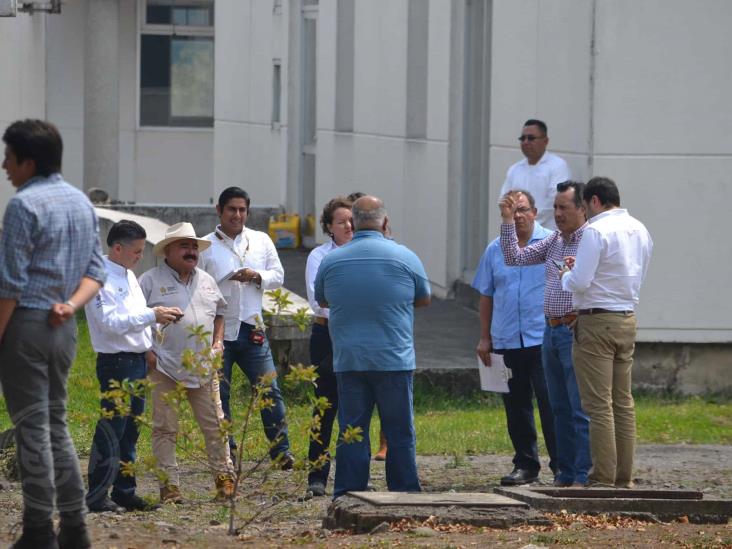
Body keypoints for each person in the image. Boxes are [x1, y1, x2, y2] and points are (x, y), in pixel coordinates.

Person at [0, 119, 106, 549]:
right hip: (63, 327)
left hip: (24, 322)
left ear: (27, 162)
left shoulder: (23, 207)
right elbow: (97, 271)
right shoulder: (81, 202)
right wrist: (72, 305)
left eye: (8, 157)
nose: (4, 166)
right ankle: (76, 529)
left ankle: (40, 530)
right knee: (55, 425)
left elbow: (8, 285)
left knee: (31, 429)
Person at [315, 196, 431, 499]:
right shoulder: (405, 257)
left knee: (352, 431)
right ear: (386, 223)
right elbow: (424, 297)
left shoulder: (332, 260)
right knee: (399, 431)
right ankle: (404, 492)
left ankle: (349, 493)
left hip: (349, 359)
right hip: (394, 357)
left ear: (352, 223)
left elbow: (323, 299)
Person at [84, 220, 183, 513]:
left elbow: (136, 316)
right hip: (116, 362)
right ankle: (97, 494)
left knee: (131, 429)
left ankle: (125, 490)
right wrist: (152, 315)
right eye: (137, 251)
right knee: (112, 427)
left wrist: (154, 328)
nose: (140, 256)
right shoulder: (98, 278)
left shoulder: (128, 275)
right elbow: (109, 323)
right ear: (117, 248)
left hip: (137, 359)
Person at [560, 177, 653, 488]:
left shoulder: (596, 230)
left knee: (599, 404)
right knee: (623, 402)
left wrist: (565, 274)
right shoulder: (640, 229)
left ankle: (602, 476)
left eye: (585, 205)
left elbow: (580, 282)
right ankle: (623, 476)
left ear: (595, 201)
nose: (585, 211)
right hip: (626, 316)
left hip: (596, 321)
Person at [499, 181, 592, 487]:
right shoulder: (555, 242)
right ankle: (564, 473)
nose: (558, 213)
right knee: (558, 407)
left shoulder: (590, 241)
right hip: (549, 332)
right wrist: (508, 221)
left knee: (578, 407)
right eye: (555, 207)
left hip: (572, 329)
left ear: (582, 208)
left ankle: (583, 472)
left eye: (564, 207)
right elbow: (514, 257)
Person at [198, 187, 294, 469]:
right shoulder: (205, 245)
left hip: (252, 327)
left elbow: (278, 276)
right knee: (220, 394)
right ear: (219, 210)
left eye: (242, 210)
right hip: (219, 330)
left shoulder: (261, 240)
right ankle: (227, 452)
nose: (237, 215)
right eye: (231, 210)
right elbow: (198, 283)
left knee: (269, 390)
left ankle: (281, 451)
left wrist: (256, 276)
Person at [139, 222, 235, 504]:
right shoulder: (149, 280)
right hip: (164, 366)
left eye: (194, 246)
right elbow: (137, 319)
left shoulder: (207, 280)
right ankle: (169, 487)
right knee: (165, 427)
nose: (191, 251)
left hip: (204, 367)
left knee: (216, 425)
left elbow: (219, 314)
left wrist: (218, 343)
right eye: (184, 246)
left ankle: (224, 480)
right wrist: (148, 352)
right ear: (168, 250)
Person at [473, 190, 558, 486]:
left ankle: (562, 464)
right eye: (511, 211)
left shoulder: (550, 243)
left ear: (535, 212)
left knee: (551, 404)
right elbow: (486, 294)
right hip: (507, 337)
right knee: (517, 407)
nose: (518, 216)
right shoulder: (495, 249)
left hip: (542, 337)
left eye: (523, 210)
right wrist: (485, 337)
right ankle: (525, 464)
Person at [304, 196, 354, 497]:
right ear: (328, 227)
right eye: (341, 221)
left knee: (355, 405)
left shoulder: (364, 253)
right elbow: (317, 300)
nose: (348, 226)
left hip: (358, 336)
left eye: (351, 220)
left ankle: (353, 474)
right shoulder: (319, 257)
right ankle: (317, 475)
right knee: (325, 405)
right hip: (328, 336)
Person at [500, 119, 571, 230]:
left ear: (545, 141)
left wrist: (529, 223)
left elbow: (554, 200)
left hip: (547, 235)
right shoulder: (515, 169)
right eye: (523, 138)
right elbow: (505, 199)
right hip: (519, 235)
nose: (526, 142)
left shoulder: (557, 166)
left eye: (531, 138)